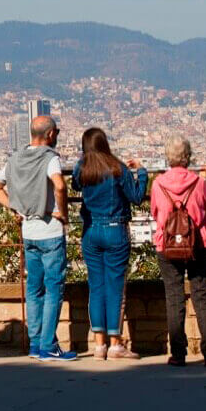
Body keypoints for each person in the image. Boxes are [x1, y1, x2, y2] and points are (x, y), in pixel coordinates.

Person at [0, 115, 77, 362]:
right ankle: (49, 345)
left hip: (28, 232)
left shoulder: (15, 159)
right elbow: (59, 186)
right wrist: (64, 214)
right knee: (53, 288)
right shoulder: (49, 158)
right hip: (50, 231)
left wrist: (14, 207)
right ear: (50, 135)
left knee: (34, 289)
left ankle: (36, 343)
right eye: (56, 132)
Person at [71, 127, 146, 360]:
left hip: (91, 230)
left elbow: (75, 185)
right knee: (115, 287)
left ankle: (99, 344)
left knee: (96, 287)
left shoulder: (81, 168)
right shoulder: (118, 168)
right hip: (116, 230)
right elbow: (136, 196)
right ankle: (115, 344)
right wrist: (141, 172)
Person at [149, 136, 206, 367]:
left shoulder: (159, 184)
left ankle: (178, 353)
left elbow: (155, 213)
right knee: (202, 298)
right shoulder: (199, 182)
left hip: (167, 244)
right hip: (199, 243)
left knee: (174, 297)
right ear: (188, 156)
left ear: (168, 156)